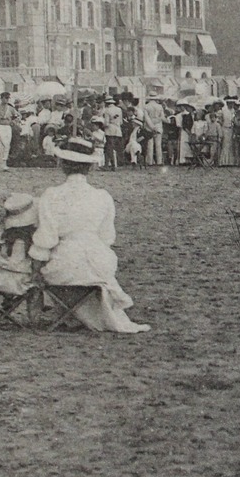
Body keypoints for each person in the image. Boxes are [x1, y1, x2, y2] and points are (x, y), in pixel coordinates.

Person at [29, 136, 149, 333]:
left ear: (62, 165)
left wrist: (36, 268)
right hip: (99, 264)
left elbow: (46, 239)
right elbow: (107, 238)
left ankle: (70, 311)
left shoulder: (52, 195)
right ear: (90, 167)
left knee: (45, 262)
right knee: (93, 264)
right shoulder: (102, 196)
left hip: (65, 266)